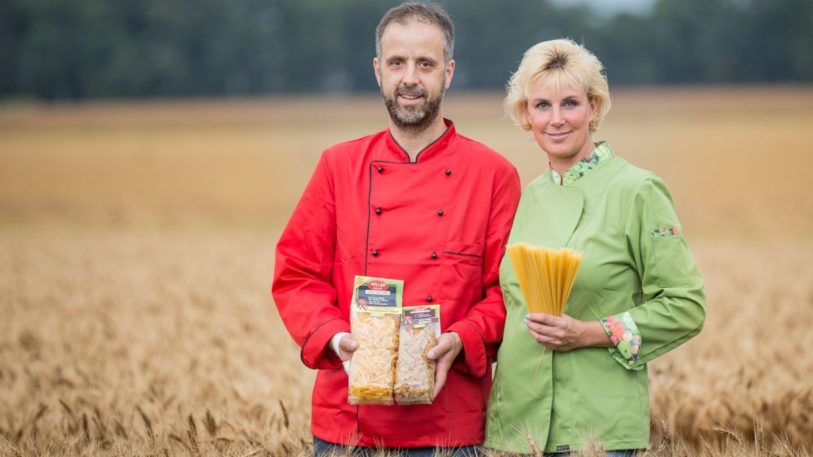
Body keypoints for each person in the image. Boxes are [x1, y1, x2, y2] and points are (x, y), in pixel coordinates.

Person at [272, 3, 520, 456]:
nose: (410, 78)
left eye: (425, 64)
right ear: (377, 71)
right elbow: (296, 276)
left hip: (450, 424)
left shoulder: (493, 175)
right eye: (397, 63)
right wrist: (334, 336)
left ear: (448, 72)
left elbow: (509, 292)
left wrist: (462, 339)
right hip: (348, 424)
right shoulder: (337, 167)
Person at [484, 39, 707, 456]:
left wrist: (588, 333)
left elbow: (686, 305)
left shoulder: (637, 190)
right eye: (541, 106)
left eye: (569, 103)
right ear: (524, 115)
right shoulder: (527, 197)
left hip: (596, 429)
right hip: (515, 428)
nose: (555, 120)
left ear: (593, 107)